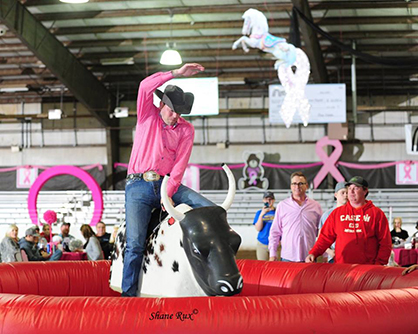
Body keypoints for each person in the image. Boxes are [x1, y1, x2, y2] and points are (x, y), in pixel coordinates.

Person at [122, 63, 215, 297]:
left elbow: (179, 166)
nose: (175, 116)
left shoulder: (187, 130)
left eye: (180, 112)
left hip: (166, 183)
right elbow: (144, 86)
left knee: (211, 210)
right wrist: (176, 73)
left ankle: (214, 277)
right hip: (138, 186)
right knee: (134, 244)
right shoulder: (146, 115)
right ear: (161, 104)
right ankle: (128, 298)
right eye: (172, 109)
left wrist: (168, 194)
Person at [306, 176, 392, 265]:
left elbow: (385, 243)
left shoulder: (376, 214)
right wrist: (313, 253)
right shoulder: (337, 213)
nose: (351, 191)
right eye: (349, 188)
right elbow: (325, 238)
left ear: (365, 191)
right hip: (342, 268)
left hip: (367, 269)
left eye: (356, 188)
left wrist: (379, 264)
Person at [268, 171, 322, 262]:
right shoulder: (282, 205)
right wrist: (272, 254)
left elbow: (322, 233)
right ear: (290, 186)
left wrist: (325, 254)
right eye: (294, 183)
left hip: (309, 257)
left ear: (307, 186)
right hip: (287, 257)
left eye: (301, 183)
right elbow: (275, 232)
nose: (297, 186)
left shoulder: (316, 206)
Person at [317, 182, 348, 263]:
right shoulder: (327, 215)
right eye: (343, 193)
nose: (346, 195)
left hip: (350, 256)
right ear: (336, 195)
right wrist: (330, 251)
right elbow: (320, 238)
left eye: (347, 193)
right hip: (334, 257)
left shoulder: (354, 213)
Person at [253, 191, 278, 261]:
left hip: (275, 243)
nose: (268, 201)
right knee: (262, 266)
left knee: (275, 267)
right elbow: (258, 228)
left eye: (270, 199)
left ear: (273, 200)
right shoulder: (259, 213)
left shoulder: (278, 212)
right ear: (263, 200)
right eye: (267, 199)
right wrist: (262, 214)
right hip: (262, 243)